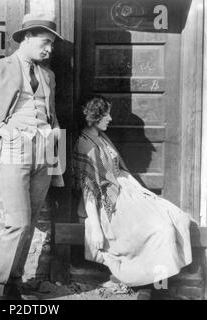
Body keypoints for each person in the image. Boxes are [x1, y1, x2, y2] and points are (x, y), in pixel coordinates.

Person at [0, 13, 64, 300]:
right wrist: (2, 128)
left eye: (53, 45)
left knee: (30, 221)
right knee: (18, 221)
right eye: (46, 42)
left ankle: (13, 284)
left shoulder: (48, 75)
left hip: (44, 151)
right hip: (13, 149)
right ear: (28, 37)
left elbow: (50, 113)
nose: (50, 49)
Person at [73, 95, 193, 300]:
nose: (110, 118)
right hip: (110, 202)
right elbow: (89, 190)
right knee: (159, 229)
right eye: (105, 114)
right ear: (93, 116)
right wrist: (95, 227)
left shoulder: (101, 137)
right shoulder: (86, 145)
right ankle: (155, 286)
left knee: (177, 217)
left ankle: (154, 284)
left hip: (129, 192)